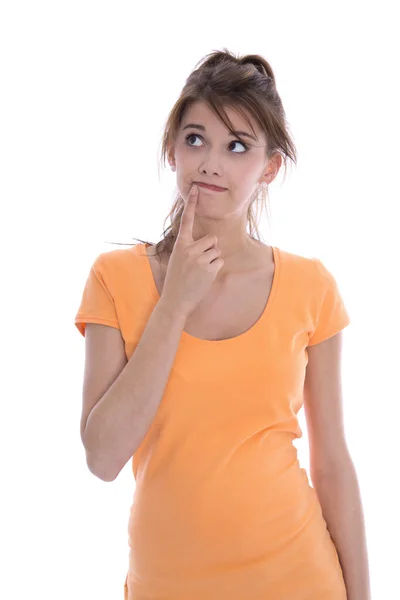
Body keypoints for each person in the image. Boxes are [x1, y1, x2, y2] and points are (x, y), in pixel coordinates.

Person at [74, 49, 370, 599]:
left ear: (270, 167)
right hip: (168, 585)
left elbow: (331, 464)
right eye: (195, 139)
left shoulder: (311, 287)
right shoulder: (114, 279)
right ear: (172, 151)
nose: (211, 162)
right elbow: (102, 456)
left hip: (299, 577)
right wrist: (174, 304)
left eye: (237, 146)